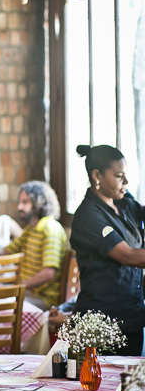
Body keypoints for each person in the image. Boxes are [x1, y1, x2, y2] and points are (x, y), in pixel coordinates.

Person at [70, 144, 145, 355]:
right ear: (97, 176)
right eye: (119, 176)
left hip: (131, 318)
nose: (126, 182)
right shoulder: (89, 215)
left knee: (128, 386)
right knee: (100, 386)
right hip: (101, 324)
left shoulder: (125, 204)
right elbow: (128, 256)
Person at [2, 181, 67, 310]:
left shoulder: (50, 229)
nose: (19, 206)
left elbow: (49, 273)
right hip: (27, 293)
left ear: (39, 204)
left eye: (25, 202)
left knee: (3, 303)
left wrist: (18, 288)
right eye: (20, 202)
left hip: (43, 299)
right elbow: (6, 252)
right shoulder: (30, 229)